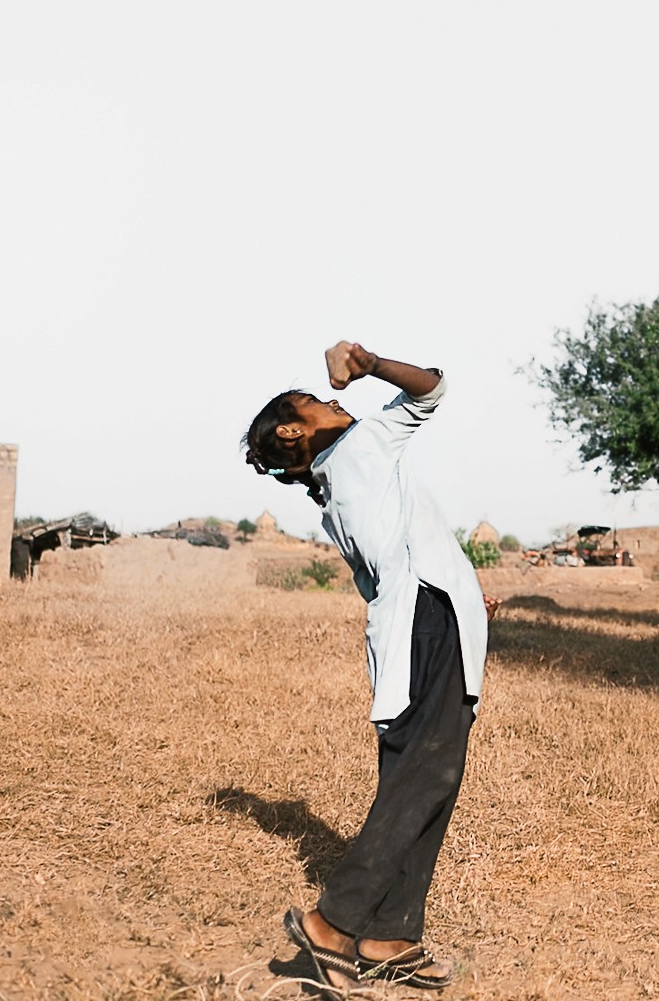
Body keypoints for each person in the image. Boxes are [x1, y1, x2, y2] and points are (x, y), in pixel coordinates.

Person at [241, 342, 489, 993]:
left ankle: (390, 936)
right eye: (314, 401)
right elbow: (432, 388)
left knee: (427, 779)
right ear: (295, 429)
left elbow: (387, 560)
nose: (332, 399)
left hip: (431, 618)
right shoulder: (358, 448)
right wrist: (372, 362)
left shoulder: (336, 484)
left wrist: (455, 586)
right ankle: (335, 923)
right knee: (427, 776)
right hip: (427, 621)